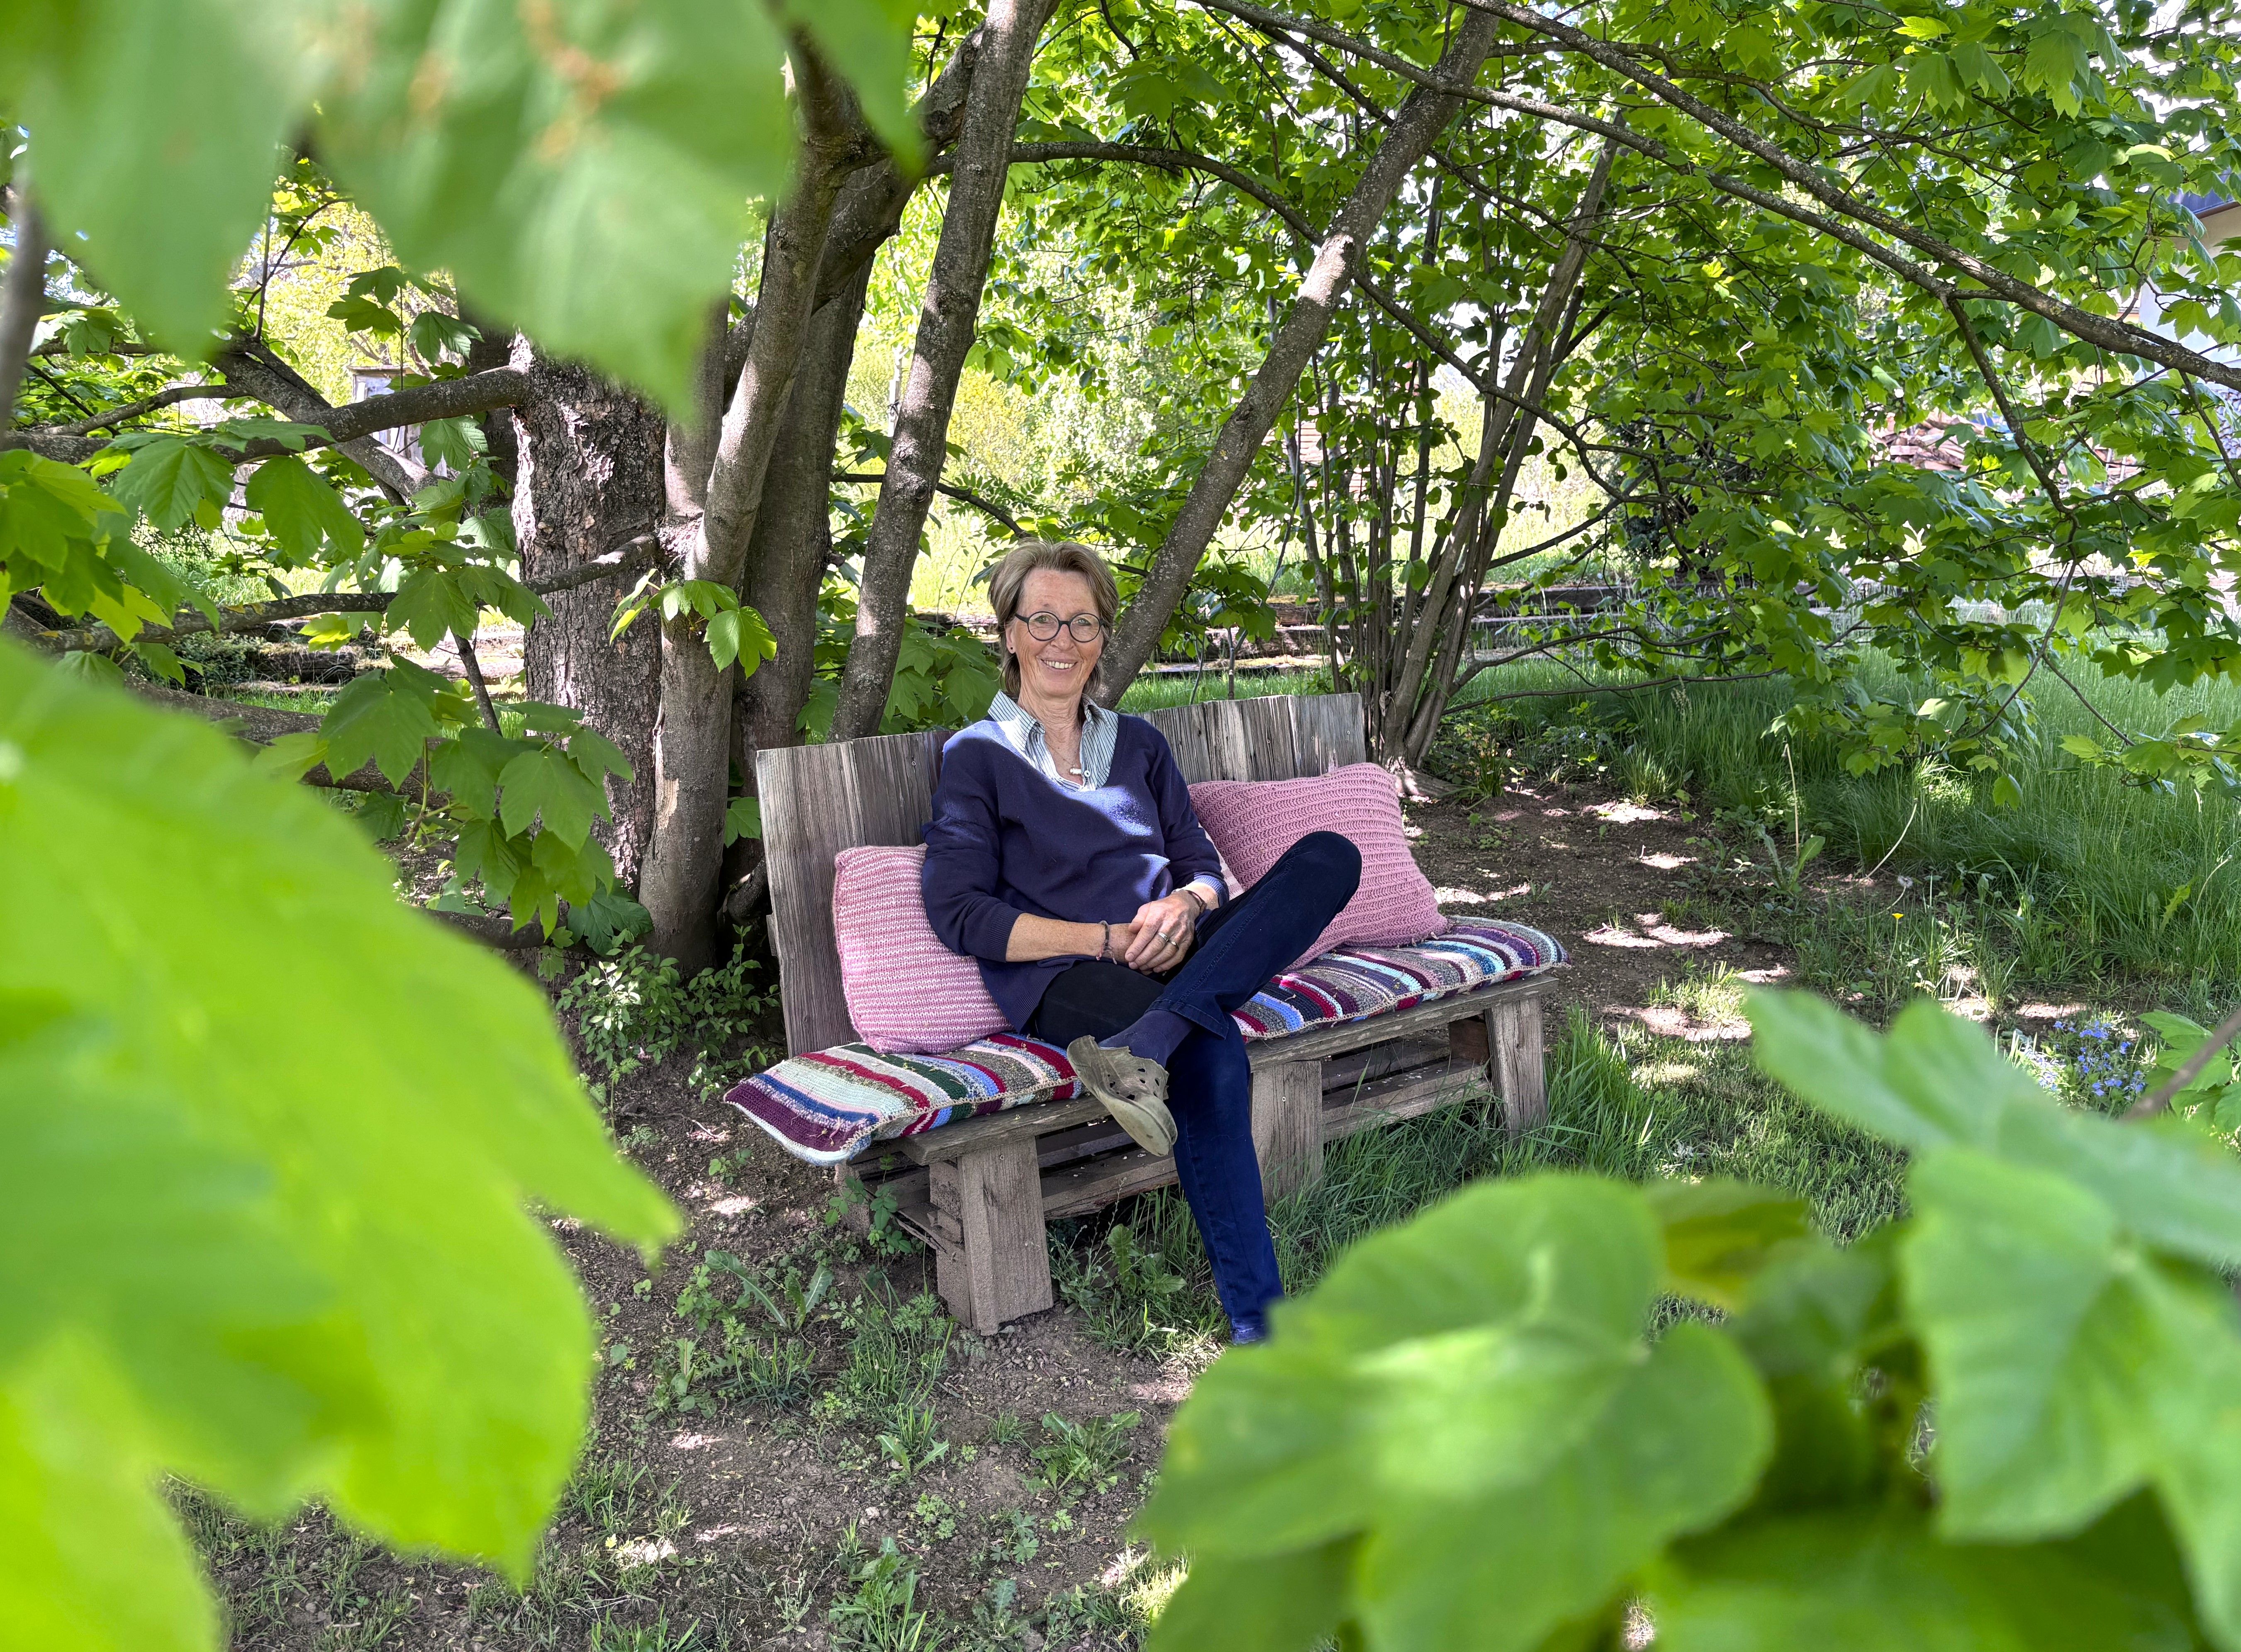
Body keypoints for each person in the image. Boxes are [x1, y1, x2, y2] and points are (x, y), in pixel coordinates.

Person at [921, 540, 1360, 1343]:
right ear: (1010, 633)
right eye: (1043, 619)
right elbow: (959, 913)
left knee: (1331, 857)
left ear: (1103, 636)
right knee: (1214, 1050)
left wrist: (1186, 908)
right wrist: (1108, 937)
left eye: (1083, 623)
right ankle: (1262, 1325)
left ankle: (1148, 1042)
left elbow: (1200, 866)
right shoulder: (976, 758)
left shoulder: (1140, 745)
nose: (1064, 640)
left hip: (1176, 955)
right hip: (1068, 975)